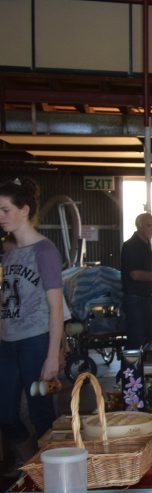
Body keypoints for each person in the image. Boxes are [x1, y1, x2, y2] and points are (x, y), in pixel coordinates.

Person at [0, 178, 64, 474]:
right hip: (7, 342)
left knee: (42, 416)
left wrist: (53, 354)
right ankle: (31, 469)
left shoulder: (45, 250)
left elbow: (55, 307)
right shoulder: (9, 251)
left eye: (5, 210)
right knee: (5, 415)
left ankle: (48, 479)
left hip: (35, 342)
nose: (1, 217)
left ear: (24, 210)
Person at [120, 212, 152, 349]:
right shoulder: (130, 246)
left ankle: (150, 369)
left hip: (149, 299)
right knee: (136, 340)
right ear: (139, 226)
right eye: (149, 226)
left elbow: (148, 256)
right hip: (136, 301)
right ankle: (132, 370)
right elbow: (136, 275)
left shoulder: (145, 244)